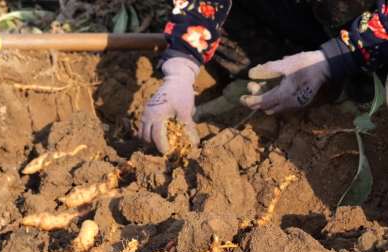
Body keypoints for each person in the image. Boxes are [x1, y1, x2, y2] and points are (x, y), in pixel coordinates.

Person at [140, 0, 388, 154]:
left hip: (372, 36)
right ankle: (279, 71)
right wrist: (181, 68)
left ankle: (359, 87)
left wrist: (336, 56)